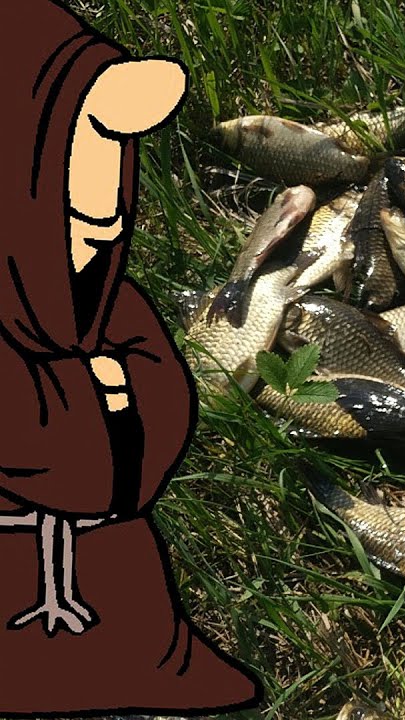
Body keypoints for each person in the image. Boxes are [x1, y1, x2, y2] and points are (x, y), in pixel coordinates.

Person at [0, 0, 262, 714]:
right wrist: (103, 393)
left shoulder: (109, 297)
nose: (106, 219)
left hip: (114, 580)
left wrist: (99, 394)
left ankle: (142, 666)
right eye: (72, 183)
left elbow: (162, 409)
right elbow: (67, 462)